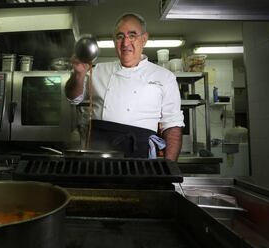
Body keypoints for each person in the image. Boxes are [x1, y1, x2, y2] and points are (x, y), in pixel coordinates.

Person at [65, 12, 184, 161]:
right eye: (120, 36)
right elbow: (73, 98)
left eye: (132, 35)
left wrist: (169, 168)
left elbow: (172, 127)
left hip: (139, 156)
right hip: (98, 154)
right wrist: (78, 74)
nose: (125, 43)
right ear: (114, 40)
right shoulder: (96, 70)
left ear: (144, 39)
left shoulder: (165, 77)